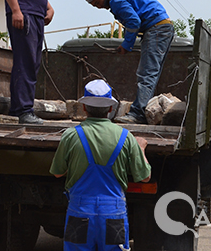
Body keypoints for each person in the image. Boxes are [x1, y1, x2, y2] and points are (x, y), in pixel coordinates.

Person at [50, 79, 151, 251]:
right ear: (111, 109)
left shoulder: (71, 136)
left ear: (84, 108)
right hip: (113, 213)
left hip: (79, 210)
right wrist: (140, 148)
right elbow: (145, 177)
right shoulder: (126, 137)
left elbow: (58, 173)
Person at [83, 0, 174, 124]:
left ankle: (137, 114)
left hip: (156, 29)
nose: (98, 6)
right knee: (151, 74)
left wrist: (126, 45)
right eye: (94, 5)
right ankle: (145, 111)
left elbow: (133, 21)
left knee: (146, 73)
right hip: (160, 28)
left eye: (97, 2)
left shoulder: (116, 0)